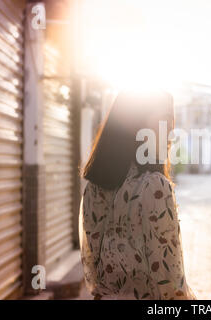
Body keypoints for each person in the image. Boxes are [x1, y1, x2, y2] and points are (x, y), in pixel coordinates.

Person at [79, 90, 195, 300]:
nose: (171, 133)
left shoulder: (93, 189)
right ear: (137, 126)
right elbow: (170, 281)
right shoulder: (155, 187)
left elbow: (92, 271)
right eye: (165, 122)